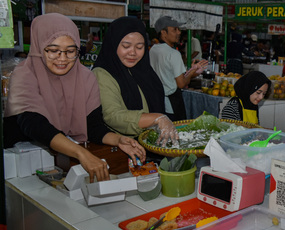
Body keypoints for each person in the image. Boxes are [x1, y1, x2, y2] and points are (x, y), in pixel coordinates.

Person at [3, 13, 146, 182]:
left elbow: (93, 127)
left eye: (70, 51)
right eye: (53, 51)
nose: (62, 59)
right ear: (39, 47)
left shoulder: (86, 78)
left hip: (61, 164)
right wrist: (81, 153)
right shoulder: (24, 74)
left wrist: (119, 140)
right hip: (22, 167)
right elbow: (33, 123)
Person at [93, 16, 179, 147]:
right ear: (113, 44)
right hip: (124, 147)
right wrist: (156, 118)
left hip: (151, 144)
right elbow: (113, 115)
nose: (132, 53)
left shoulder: (144, 70)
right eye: (126, 46)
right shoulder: (102, 73)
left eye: (139, 47)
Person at [149, 16, 208, 121]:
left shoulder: (154, 49)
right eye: (174, 29)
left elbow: (171, 76)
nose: (179, 32)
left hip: (157, 102)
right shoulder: (173, 53)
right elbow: (181, 84)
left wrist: (193, 70)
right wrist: (192, 71)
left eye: (179, 29)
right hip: (172, 104)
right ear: (163, 32)